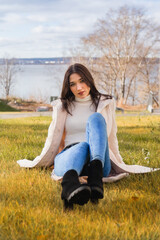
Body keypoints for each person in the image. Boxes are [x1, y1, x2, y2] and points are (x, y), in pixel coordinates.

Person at [17, 63, 159, 210]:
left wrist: (118, 162)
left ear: (89, 80)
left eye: (82, 81)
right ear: (69, 87)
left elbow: (111, 138)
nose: (79, 88)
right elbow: (52, 138)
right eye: (73, 84)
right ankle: (70, 186)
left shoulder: (105, 103)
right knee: (83, 145)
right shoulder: (63, 106)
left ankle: (95, 178)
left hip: (96, 161)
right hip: (69, 159)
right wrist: (43, 160)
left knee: (96, 118)